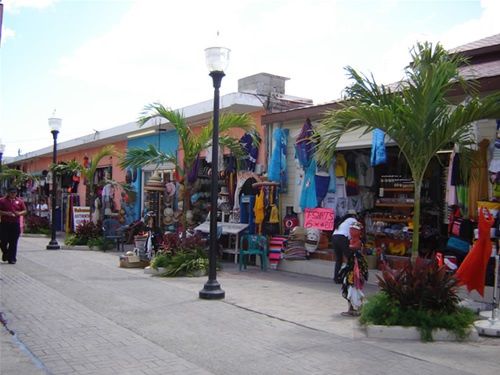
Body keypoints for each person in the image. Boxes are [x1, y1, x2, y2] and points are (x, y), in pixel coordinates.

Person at [339, 220, 369, 316]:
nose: (351, 231)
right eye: (351, 229)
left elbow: (352, 250)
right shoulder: (350, 241)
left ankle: (359, 308)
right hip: (349, 268)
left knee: (355, 288)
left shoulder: (359, 243)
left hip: (356, 269)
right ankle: (350, 308)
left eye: (353, 229)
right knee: (348, 288)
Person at [0, 187, 27, 264]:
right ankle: (5, 253)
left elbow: (25, 211)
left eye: (14, 193)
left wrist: (19, 213)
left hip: (15, 223)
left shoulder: (19, 201)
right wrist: (6, 213)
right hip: (5, 223)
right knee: (3, 241)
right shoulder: (2, 201)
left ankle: (12, 258)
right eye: (11, 193)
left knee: (13, 242)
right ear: (8, 193)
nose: (13, 194)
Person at [331, 209, 358, 283]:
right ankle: (350, 278)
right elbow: (358, 230)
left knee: (338, 259)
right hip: (342, 238)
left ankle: (336, 278)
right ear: (354, 215)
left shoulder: (342, 221)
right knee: (350, 259)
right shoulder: (353, 220)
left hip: (334, 237)